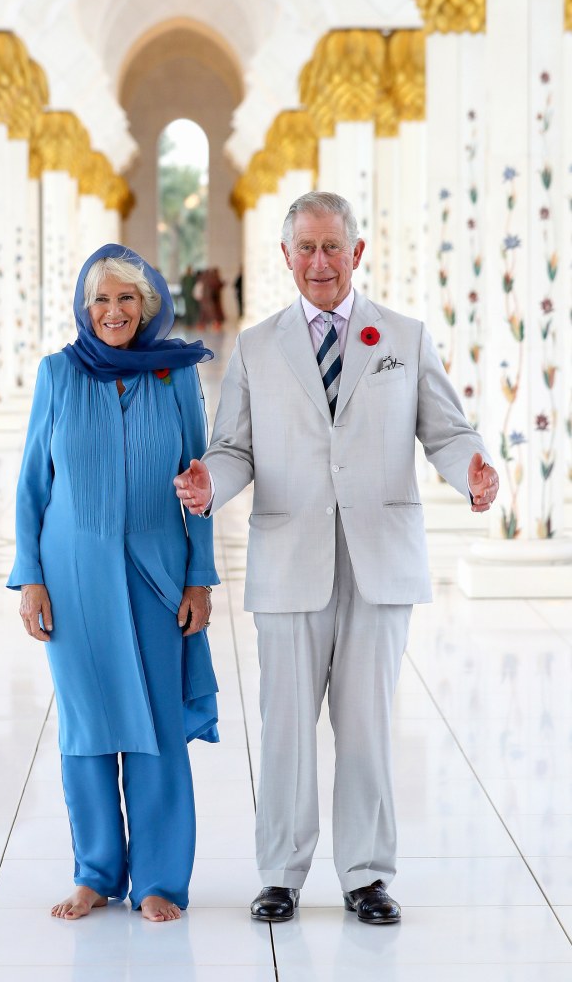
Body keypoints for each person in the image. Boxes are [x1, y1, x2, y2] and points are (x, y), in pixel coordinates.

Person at [174, 191, 498, 925]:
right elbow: (233, 449)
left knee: (367, 724)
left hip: (379, 560)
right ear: (285, 257)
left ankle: (366, 876)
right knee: (284, 724)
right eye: (306, 249)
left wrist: (472, 467)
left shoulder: (404, 339)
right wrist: (208, 485)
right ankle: (281, 873)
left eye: (332, 248)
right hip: (290, 557)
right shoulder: (258, 348)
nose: (319, 262)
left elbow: (447, 431)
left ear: (357, 253)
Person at [8, 244, 219, 923]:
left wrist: (199, 577)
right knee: (88, 728)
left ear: (149, 303)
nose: (113, 311)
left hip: (157, 577)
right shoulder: (58, 375)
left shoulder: (176, 376)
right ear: (83, 306)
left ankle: (159, 879)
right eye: (101, 298)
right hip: (72, 582)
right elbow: (32, 488)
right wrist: (30, 579)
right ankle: (96, 872)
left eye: (127, 297)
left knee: (155, 728)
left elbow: (199, 485)